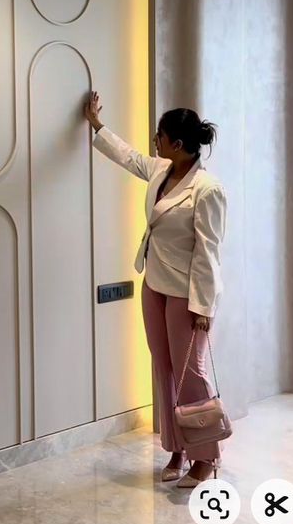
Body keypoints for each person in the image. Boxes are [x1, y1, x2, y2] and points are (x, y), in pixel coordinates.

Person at [85, 93, 227, 487]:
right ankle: (178, 448)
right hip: (154, 284)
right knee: (163, 368)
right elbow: (129, 156)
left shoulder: (207, 189)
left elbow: (208, 252)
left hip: (187, 293)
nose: (154, 142)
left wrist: (203, 307)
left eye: (159, 136)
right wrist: (97, 126)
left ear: (178, 144)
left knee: (191, 374)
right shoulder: (162, 171)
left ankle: (206, 457)